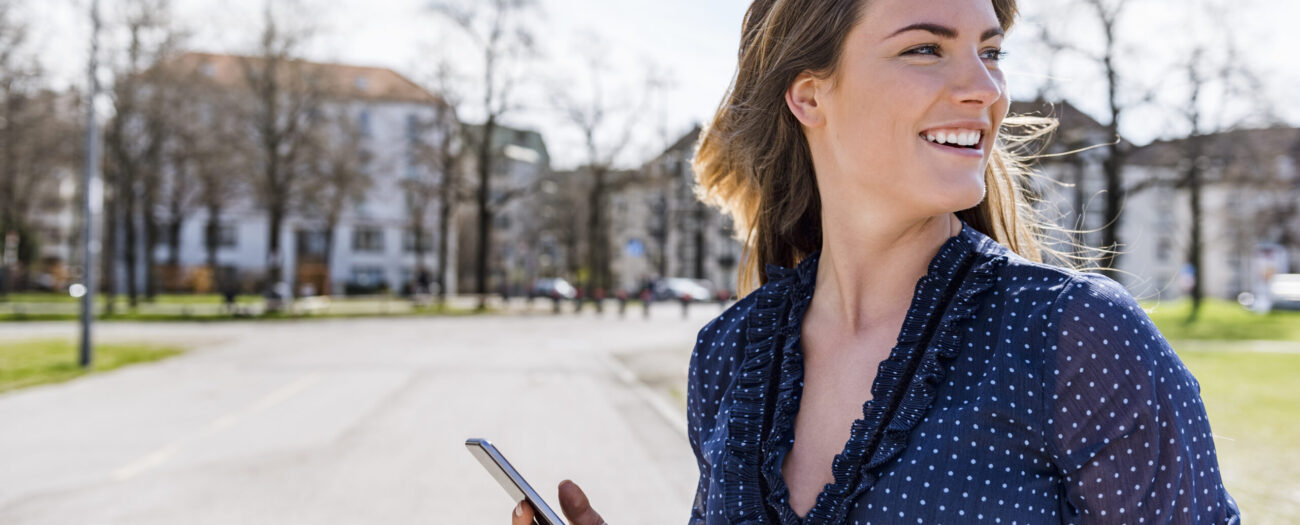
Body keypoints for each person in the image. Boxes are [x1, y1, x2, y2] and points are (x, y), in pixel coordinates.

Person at [512, 0, 1240, 523]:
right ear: (809, 95)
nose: (985, 90)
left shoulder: (1076, 337)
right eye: (926, 48)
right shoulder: (729, 354)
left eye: (989, 52)